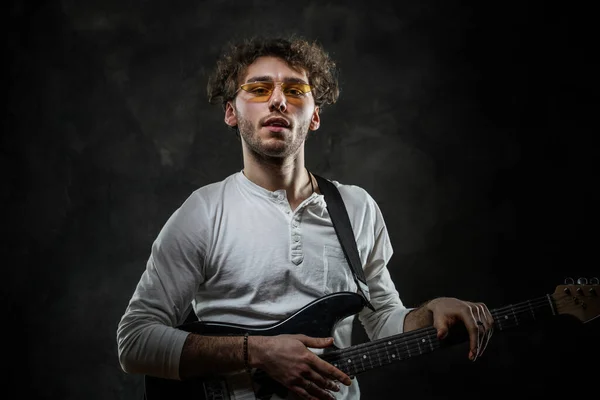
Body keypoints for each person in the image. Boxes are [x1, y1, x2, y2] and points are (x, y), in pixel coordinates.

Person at [116, 35, 494, 400]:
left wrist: (430, 312)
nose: (278, 100)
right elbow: (135, 341)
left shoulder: (356, 208)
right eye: (259, 89)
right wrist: (257, 352)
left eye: (296, 90)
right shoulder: (203, 212)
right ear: (231, 112)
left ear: (314, 116)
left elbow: (382, 321)